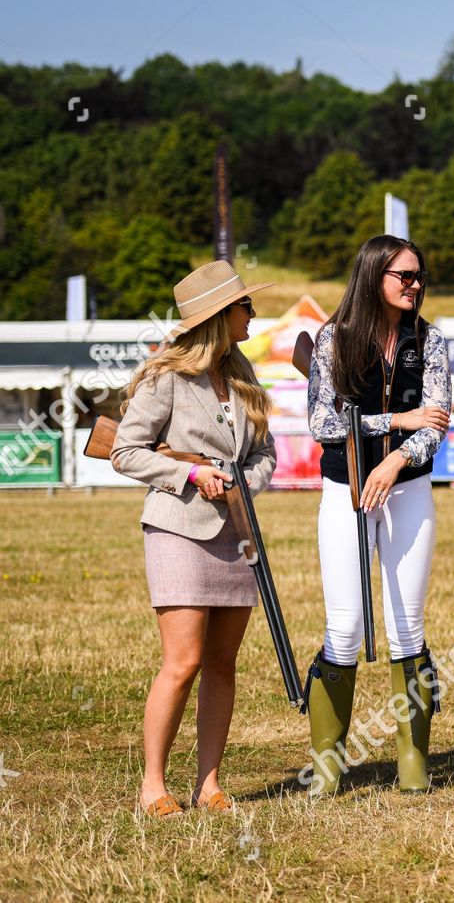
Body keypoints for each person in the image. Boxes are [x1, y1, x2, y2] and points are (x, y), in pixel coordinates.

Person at [111, 261, 277, 817]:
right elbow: (125, 450)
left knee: (223, 663)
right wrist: (190, 474)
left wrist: (241, 484)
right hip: (177, 527)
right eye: (245, 306)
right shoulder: (165, 378)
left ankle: (209, 784)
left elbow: (264, 455)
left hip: (237, 530)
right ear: (219, 315)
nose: (253, 312)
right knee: (181, 663)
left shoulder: (244, 371)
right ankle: (153, 787)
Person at [302, 235, 451, 795]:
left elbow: (437, 422)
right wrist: (397, 420)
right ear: (373, 276)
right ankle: (327, 766)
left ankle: (414, 763)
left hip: (408, 490)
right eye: (403, 275)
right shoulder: (332, 339)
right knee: (344, 628)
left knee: (407, 626)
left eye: (419, 275)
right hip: (343, 490)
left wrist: (394, 460)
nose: (415, 284)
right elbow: (322, 423)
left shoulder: (430, 339)